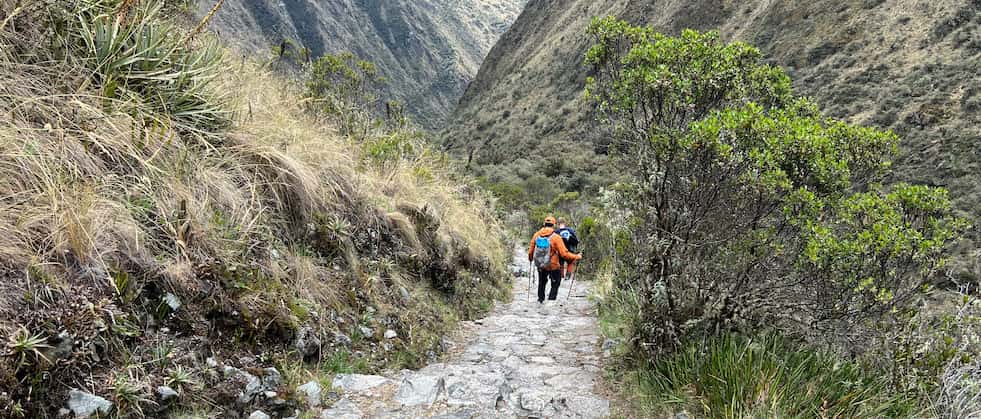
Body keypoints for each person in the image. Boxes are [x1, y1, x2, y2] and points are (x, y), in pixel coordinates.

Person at [528, 216, 582, 303]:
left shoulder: (536, 235)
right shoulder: (556, 237)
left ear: (544, 224)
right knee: (555, 283)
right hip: (553, 266)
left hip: (541, 265)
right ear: (554, 225)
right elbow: (564, 254)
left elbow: (530, 252)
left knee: (541, 283)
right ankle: (551, 302)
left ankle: (540, 300)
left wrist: (530, 259)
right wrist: (577, 256)